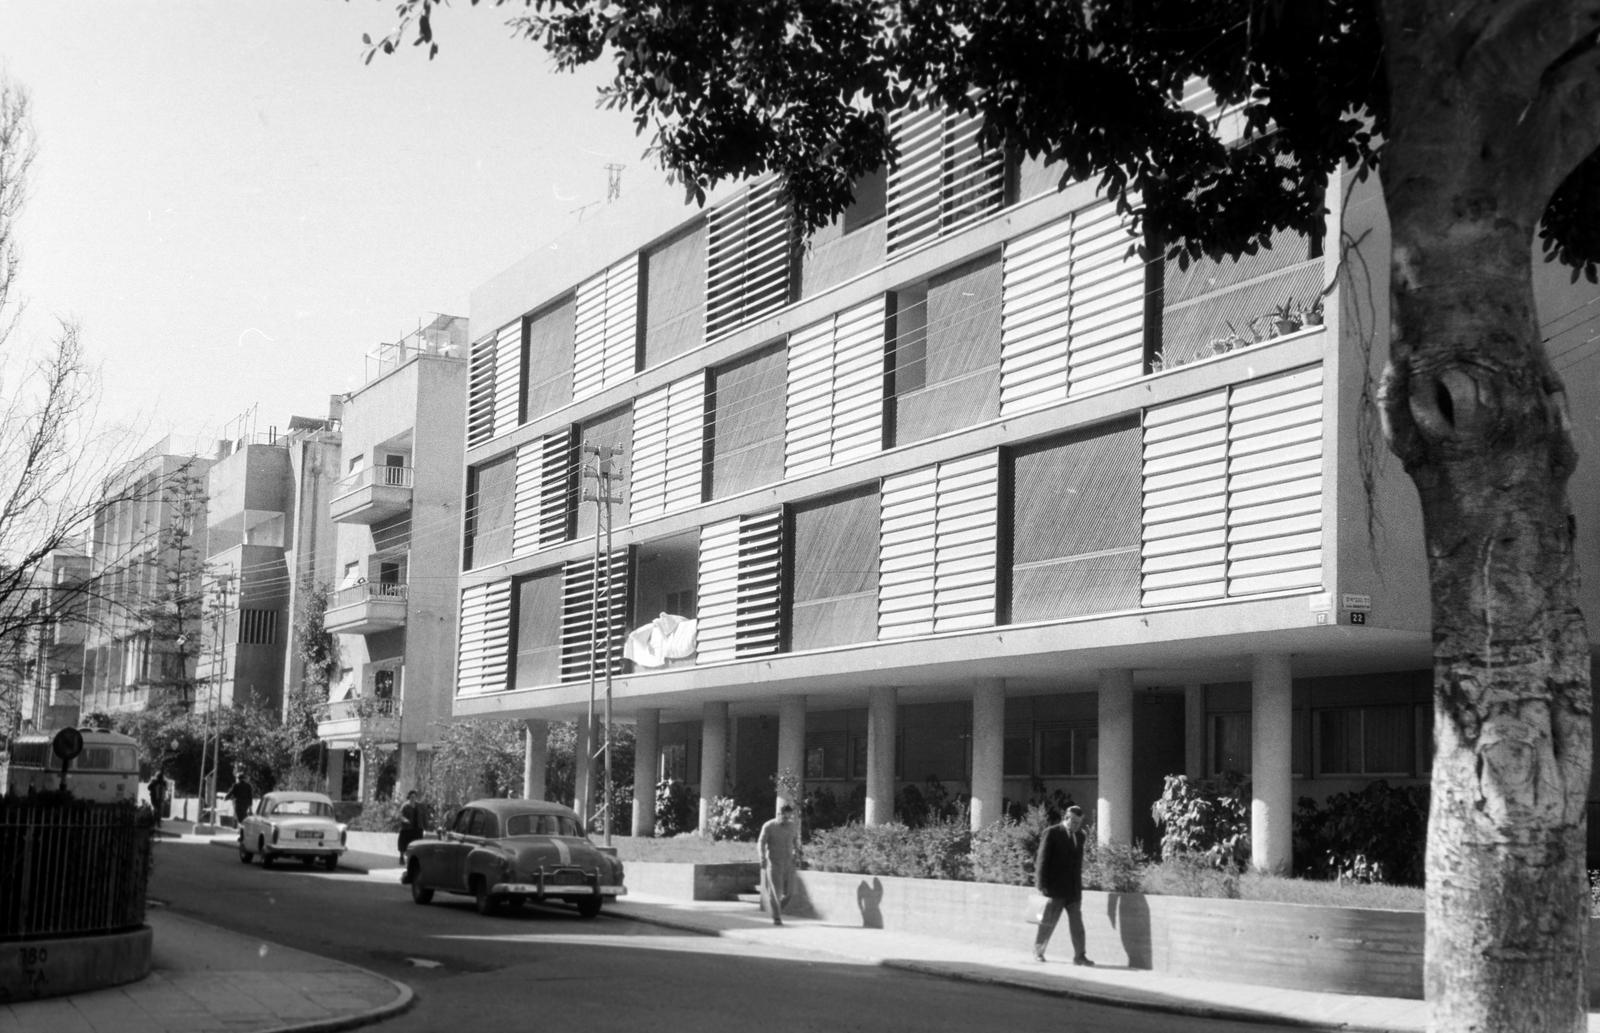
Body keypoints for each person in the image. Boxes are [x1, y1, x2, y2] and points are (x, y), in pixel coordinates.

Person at [1033, 804, 1093, 966]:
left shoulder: (1080, 836)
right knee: (1048, 923)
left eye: (1078, 822)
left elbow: (1078, 863)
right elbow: (1042, 860)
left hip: (1073, 890)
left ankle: (1080, 956)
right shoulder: (1052, 833)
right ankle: (1039, 951)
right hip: (1054, 888)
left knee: (1077, 926)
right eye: (1073, 821)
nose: (1075, 825)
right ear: (1066, 818)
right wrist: (1041, 885)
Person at [757, 798, 801, 926]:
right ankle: (777, 917)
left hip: (789, 863)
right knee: (776, 892)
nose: (787, 820)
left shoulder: (792, 826)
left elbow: (796, 841)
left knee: (790, 892)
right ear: (779, 814)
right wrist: (762, 857)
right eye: (785, 817)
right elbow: (761, 842)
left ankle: (776, 910)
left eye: (789, 817)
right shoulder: (769, 826)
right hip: (774, 863)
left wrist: (798, 854)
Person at [397, 790, 425, 865]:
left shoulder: (419, 806)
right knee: (403, 844)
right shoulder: (405, 806)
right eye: (412, 797)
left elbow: (423, 816)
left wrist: (424, 825)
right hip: (407, 829)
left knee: (417, 844)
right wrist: (405, 820)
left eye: (415, 797)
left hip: (417, 828)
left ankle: (415, 860)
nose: (413, 798)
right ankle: (401, 857)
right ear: (409, 797)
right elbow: (400, 816)